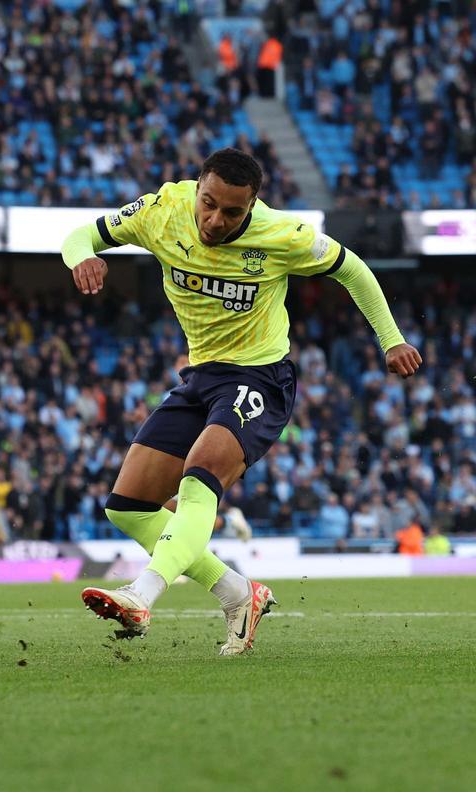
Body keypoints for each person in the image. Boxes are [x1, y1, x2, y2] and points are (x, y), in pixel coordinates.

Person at [62, 147, 421, 655]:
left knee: (199, 475)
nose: (215, 220)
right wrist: (82, 257)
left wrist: (392, 339)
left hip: (259, 377)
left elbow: (353, 269)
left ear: (252, 205)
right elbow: (82, 235)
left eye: (232, 212)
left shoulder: (282, 235)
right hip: (199, 377)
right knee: (129, 508)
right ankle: (238, 593)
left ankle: (141, 595)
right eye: (208, 204)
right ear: (198, 188)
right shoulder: (162, 209)